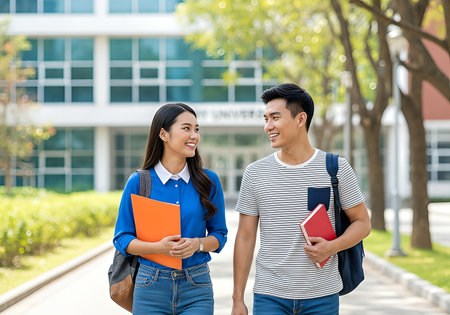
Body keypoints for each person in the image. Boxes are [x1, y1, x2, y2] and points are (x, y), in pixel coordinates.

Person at [231, 83, 371, 315]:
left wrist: (332, 247)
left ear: (300, 119)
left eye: (275, 117)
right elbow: (245, 237)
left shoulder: (335, 168)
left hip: (322, 296)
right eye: (266, 119)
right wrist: (238, 298)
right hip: (270, 295)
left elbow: (363, 223)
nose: (268, 126)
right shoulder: (255, 173)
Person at [113, 103, 228, 314]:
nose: (194, 135)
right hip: (150, 286)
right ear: (163, 134)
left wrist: (197, 244)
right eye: (186, 128)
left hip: (197, 286)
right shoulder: (139, 182)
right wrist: (158, 247)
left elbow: (219, 235)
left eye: (197, 129)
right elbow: (122, 239)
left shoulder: (209, 181)